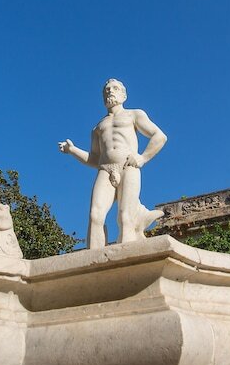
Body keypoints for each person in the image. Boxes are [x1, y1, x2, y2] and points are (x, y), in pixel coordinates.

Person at [58, 79, 167, 249]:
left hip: (128, 167)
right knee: (95, 215)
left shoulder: (134, 114)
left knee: (125, 217)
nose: (110, 91)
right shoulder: (98, 128)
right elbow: (94, 159)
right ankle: (94, 258)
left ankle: (126, 258)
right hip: (105, 170)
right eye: (107, 89)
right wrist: (72, 150)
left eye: (115, 88)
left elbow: (159, 136)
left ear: (124, 95)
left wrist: (143, 158)